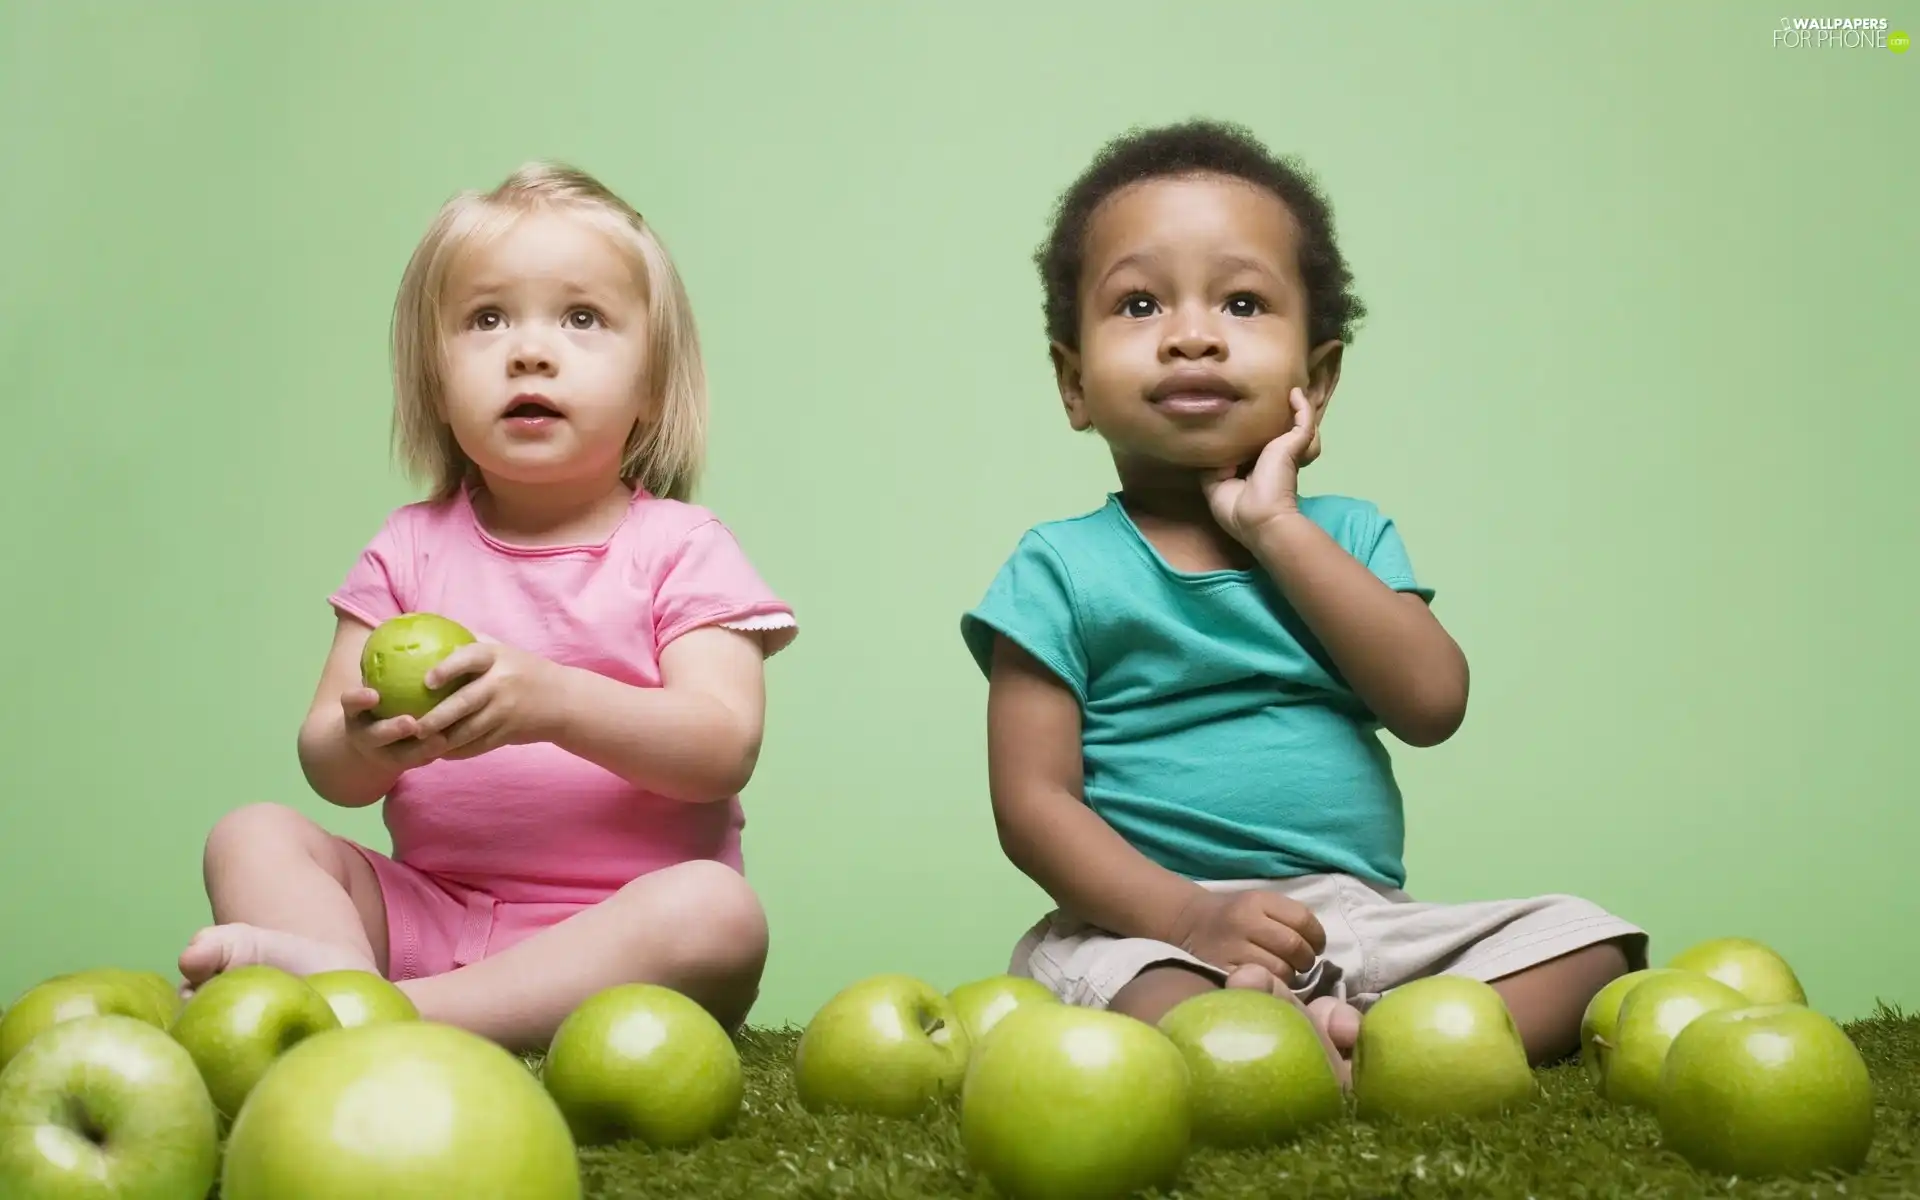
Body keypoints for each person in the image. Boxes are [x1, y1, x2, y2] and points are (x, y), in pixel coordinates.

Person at [961, 119, 1644, 1083]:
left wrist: (1274, 525)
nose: (1192, 335)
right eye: (1140, 303)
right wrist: (1190, 916)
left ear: (1314, 383)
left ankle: (1383, 1044)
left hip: (1354, 921)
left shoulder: (1346, 537)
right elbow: (1033, 806)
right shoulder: (1058, 569)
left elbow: (1431, 704)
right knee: (1115, 984)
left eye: (1242, 303)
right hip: (1150, 923)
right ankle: (1285, 1044)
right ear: (1074, 383)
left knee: (1592, 946)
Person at [178, 162, 796, 1052]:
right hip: (428, 920)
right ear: (434, 381)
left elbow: (721, 746)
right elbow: (330, 771)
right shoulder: (408, 547)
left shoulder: (682, 547)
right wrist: (364, 741)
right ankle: (365, 993)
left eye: (582, 319)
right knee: (251, 833)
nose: (530, 350)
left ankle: (367, 1017)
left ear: (652, 386)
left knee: (719, 913)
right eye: (486, 319)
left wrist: (553, 701)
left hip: (612, 941)